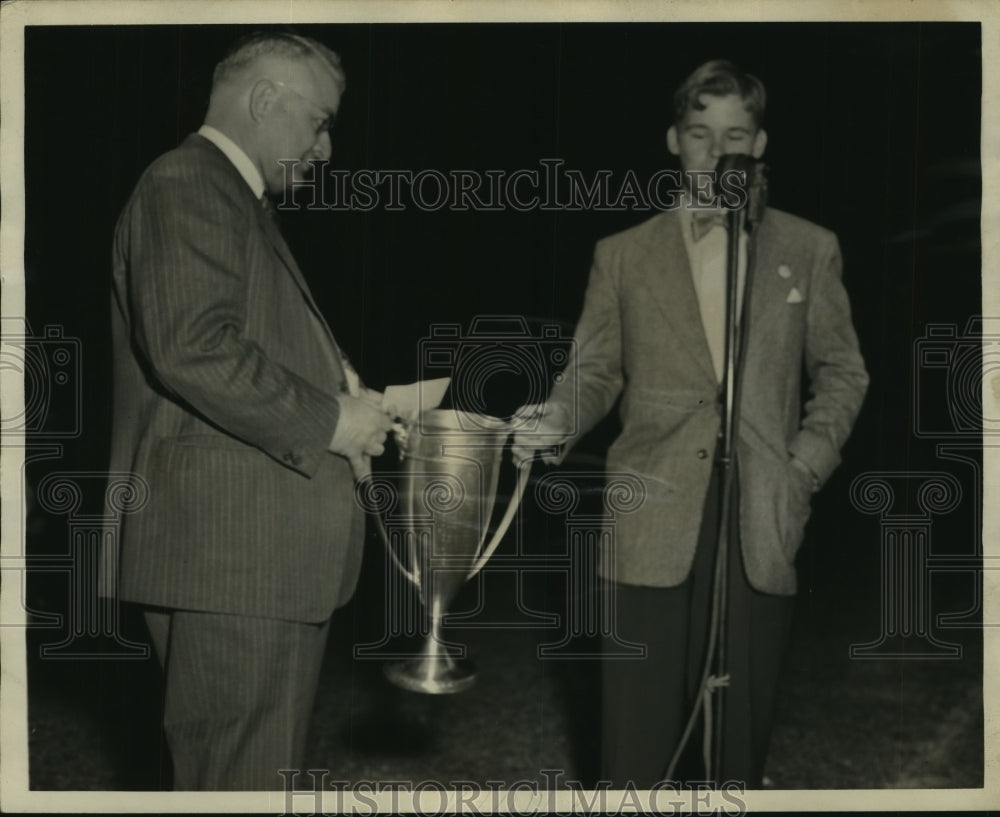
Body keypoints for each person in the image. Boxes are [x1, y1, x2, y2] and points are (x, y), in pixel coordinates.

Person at [513, 60, 868, 788]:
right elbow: (595, 370)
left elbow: (843, 370)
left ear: (761, 145)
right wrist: (557, 416)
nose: (719, 151)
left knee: (734, 752)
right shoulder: (623, 254)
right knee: (634, 750)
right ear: (673, 140)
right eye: (701, 133)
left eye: (736, 134)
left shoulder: (809, 246)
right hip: (648, 515)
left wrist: (804, 467)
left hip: (760, 516)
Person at [107, 32, 394, 790]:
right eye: (320, 121)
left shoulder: (230, 200)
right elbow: (191, 347)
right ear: (266, 101)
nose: (326, 148)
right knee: (240, 785)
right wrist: (333, 421)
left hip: (250, 565)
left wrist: (341, 390)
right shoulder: (187, 184)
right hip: (234, 561)